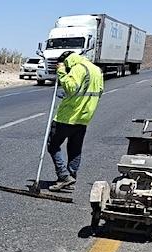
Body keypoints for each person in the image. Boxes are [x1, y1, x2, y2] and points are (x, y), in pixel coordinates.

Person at [47, 50, 104, 191]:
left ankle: (64, 176)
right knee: (75, 149)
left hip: (68, 116)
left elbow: (71, 87)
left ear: (67, 61)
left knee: (52, 145)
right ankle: (71, 176)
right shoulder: (96, 69)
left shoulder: (78, 68)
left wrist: (61, 71)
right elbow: (99, 91)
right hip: (84, 117)